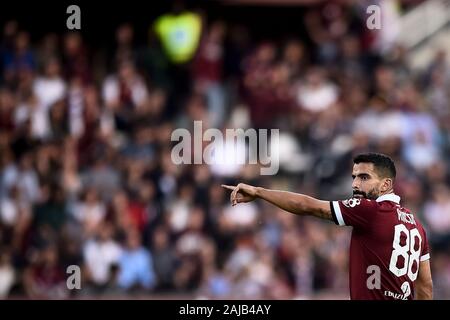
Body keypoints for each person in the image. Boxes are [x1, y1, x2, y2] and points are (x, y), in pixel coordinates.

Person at [222, 153, 433, 300]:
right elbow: (425, 287)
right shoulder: (417, 226)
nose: (355, 184)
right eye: (354, 177)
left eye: (364, 177)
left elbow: (308, 206)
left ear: (386, 184)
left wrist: (259, 192)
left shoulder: (370, 210)